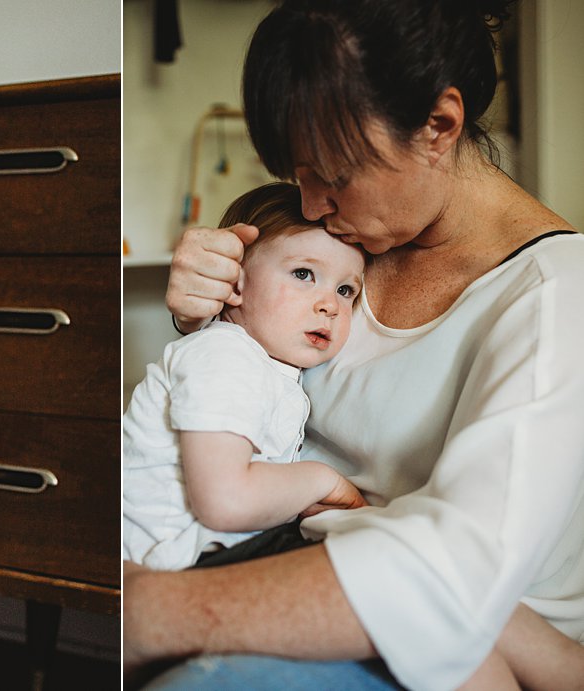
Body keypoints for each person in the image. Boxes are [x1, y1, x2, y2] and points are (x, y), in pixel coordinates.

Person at [124, 1, 584, 689]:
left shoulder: (556, 300)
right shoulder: (342, 248)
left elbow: (454, 571)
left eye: (333, 175)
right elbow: (257, 408)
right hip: (284, 564)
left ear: (439, 127)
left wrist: (150, 611)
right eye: (296, 175)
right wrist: (215, 317)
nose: (310, 205)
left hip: (439, 628)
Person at [121, 182, 368, 572]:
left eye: (345, 289)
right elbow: (226, 501)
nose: (330, 306)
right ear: (234, 284)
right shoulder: (225, 357)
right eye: (303, 273)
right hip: (172, 560)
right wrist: (325, 482)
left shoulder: (266, 363)